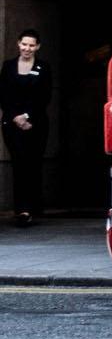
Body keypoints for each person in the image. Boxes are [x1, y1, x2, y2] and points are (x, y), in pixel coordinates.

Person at [1, 29, 51, 227]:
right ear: (18, 44)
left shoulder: (43, 67)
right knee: (19, 163)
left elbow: (44, 96)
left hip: (36, 124)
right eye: (24, 44)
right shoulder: (8, 66)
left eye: (31, 45)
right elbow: (3, 94)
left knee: (32, 163)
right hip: (12, 124)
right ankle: (22, 209)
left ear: (37, 47)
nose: (27, 48)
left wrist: (27, 116)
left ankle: (32, 206)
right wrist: (15, 117)